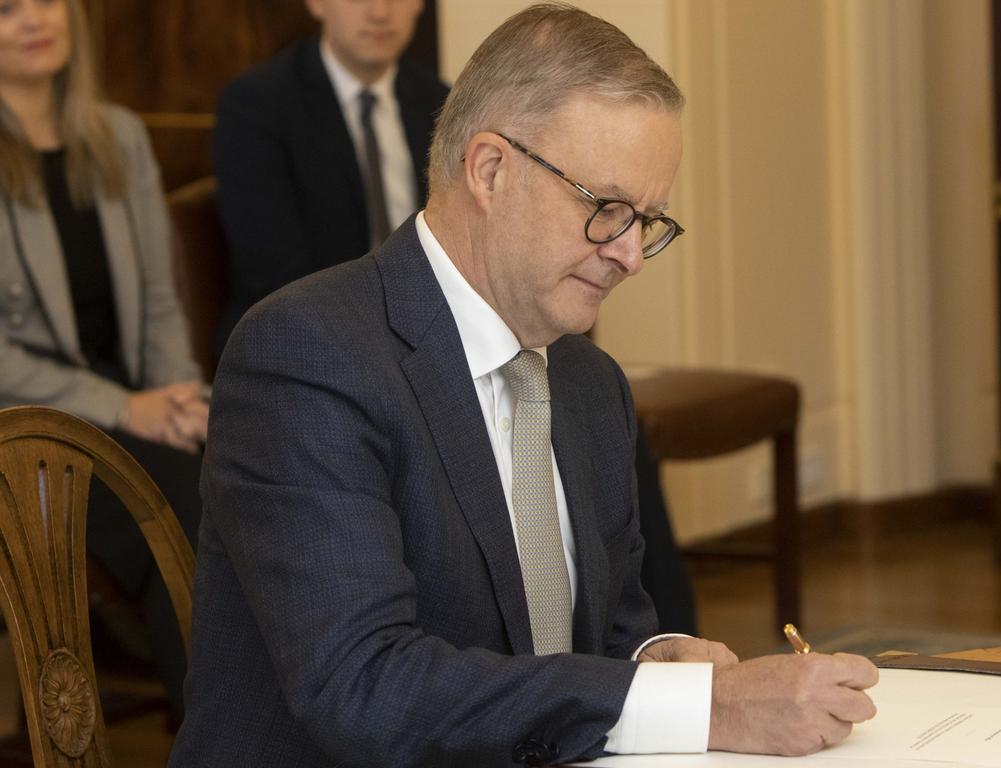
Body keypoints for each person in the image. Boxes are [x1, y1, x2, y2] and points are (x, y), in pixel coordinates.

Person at [170, 4, 878, 766]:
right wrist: (702, 710)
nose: (631, 256)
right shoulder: (309, 355)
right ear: (490, 169)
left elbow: (605, 639)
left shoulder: (587, 381)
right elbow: (364, 688)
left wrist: (662, 657)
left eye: (649, 220)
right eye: (607, 209)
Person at [0, 0, 207, 721]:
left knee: (246, 461)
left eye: (49, 0)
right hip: (26, 425)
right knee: (184, 502)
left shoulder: (116, 135)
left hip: (137, 406)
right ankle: (209, 731)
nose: (36, 19)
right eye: (6, 9)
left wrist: (176, 393)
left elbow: (158, 300)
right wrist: (126, 408)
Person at [212, 0, 449, 358]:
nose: (380, 13)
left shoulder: (439, 101)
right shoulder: (257, 104)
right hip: (298, 337)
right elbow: (273, 272)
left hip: (423, 338)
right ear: (317, 4)